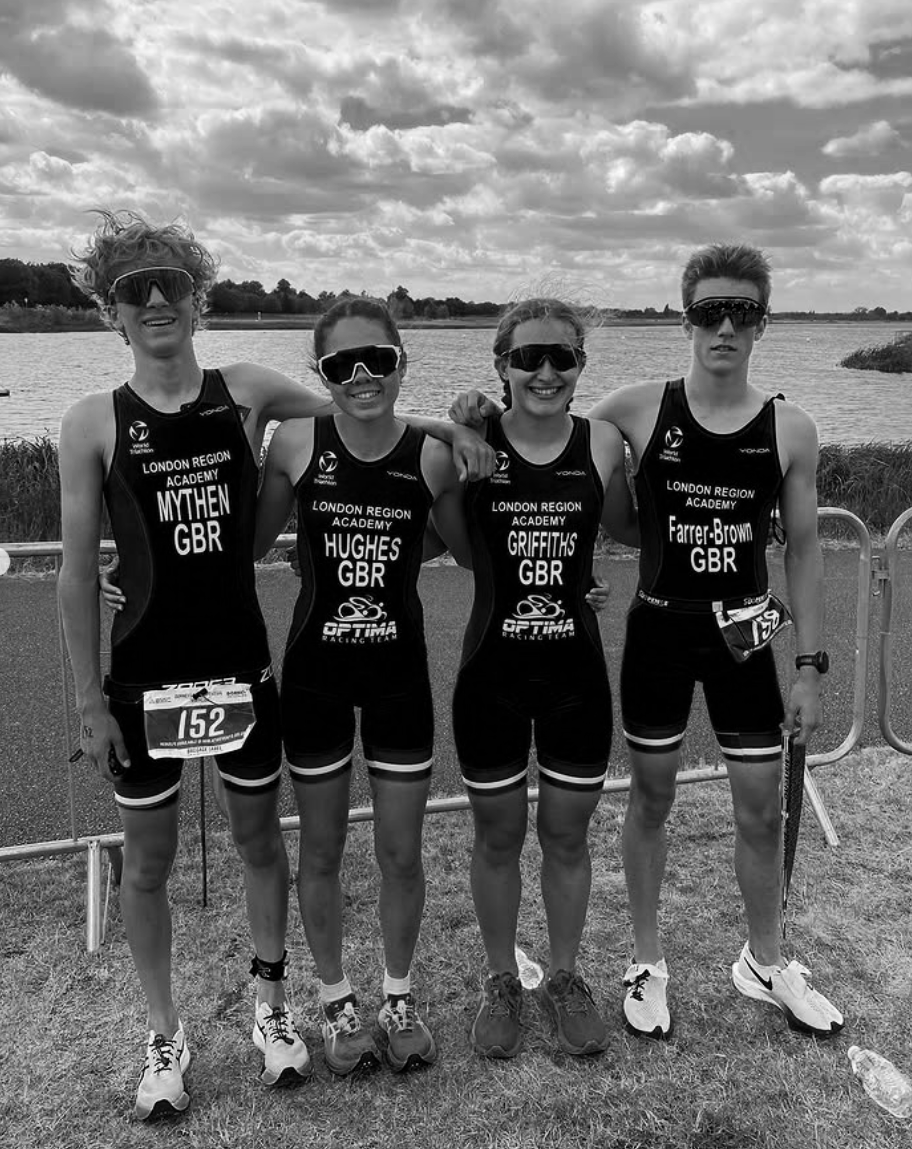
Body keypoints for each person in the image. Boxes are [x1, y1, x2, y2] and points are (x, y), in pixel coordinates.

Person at [61, 212, 486, 1118]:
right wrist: (89, 700)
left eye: (170, 282)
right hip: (143, 676)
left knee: (261, 846)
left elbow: (358, 405)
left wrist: (462, 430)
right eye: (134, 289)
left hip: (243, 670)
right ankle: (164, 1031)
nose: (156, 300)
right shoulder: (90, 420)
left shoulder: (246, 389)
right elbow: (69, 569)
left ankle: (272, 1007)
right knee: (148, 862)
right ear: (111, 311)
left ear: (197, 295)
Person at [450, 246, 843, 1042]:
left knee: (762, 810)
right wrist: (465, 413)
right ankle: (645, 960)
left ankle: (764, 961)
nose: (724, 327)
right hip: (659, 628)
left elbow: (803, 549)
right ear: (685, 316)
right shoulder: (631, 411)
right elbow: (548, 448)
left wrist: (809, 665)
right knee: (652, 799)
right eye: (708, 311)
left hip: (743, 638)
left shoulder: (791, 428)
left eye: (741, 312)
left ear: (762, 321)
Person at [252, 296, 473, 1075]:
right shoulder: (296, 444)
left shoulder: (433, 455)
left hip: (397, 678)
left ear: (401, 361)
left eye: (377, 358)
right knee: (321, 847)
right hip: (314, 675)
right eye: (342, 364)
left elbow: (468, 550)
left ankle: (399, 993)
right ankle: (337, 998)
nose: (362, 375)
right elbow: (245, 541)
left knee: (401, 849)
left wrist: (470, 436)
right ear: (323, 372)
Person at [452, 298, 638, 1059]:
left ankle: (563, 977)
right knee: (498, 837)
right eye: (529, 357)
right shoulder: (472, 440)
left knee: (565, 835)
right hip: (490, 671)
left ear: (581, 366)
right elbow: (440, 536)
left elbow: (634, 529)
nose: (546, 371)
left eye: (563, 357)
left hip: (576, 676)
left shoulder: (600, 446)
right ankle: (501, 978)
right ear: (502, 365)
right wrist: (460, 421)